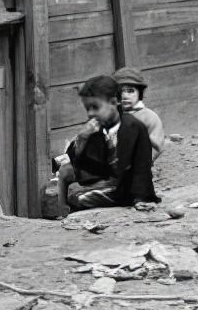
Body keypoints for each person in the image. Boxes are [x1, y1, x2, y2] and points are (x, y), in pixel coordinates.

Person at [63, 74, 158, 211]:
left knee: (79, 198)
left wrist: (141, 197)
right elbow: (83, 164)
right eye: (87, 109)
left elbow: (142, 165)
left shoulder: (133, 127)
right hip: (104, 182)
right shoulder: (96, 128)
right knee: (73, 193)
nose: (90, 114)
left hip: (127, 188)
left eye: (95, 107)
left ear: (114, 102)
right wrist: (82, 138)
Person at [112, 66, 166, 161]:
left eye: (130, 91)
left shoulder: (149, 118)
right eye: (120, 92)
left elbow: (156, 148)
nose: (124, 96)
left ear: (139, 93)